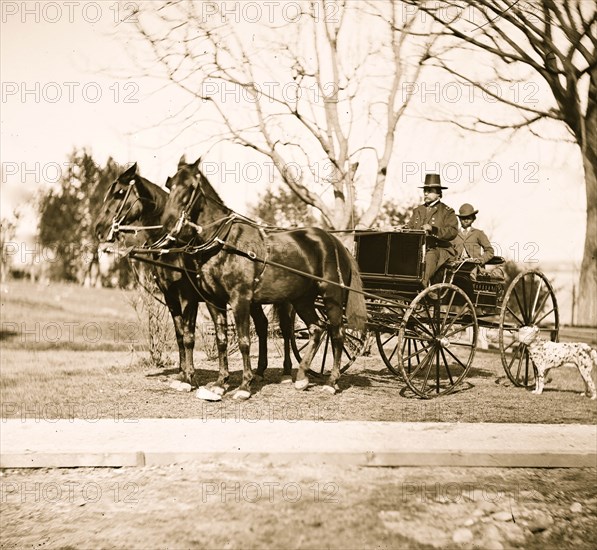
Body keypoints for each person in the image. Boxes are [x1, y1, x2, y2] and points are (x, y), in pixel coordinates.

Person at [404, 173, 458, 286]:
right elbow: (410, 227)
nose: (426, 193)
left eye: (430, 190)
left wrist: (433, 230)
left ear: (439, 193)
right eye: (425, 190)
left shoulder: (447, 211)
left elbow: (452, 231)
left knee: (431, 255)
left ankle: (423, 284)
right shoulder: (418, 210)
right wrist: (404, 229)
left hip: (440, 248)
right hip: (420, 247)